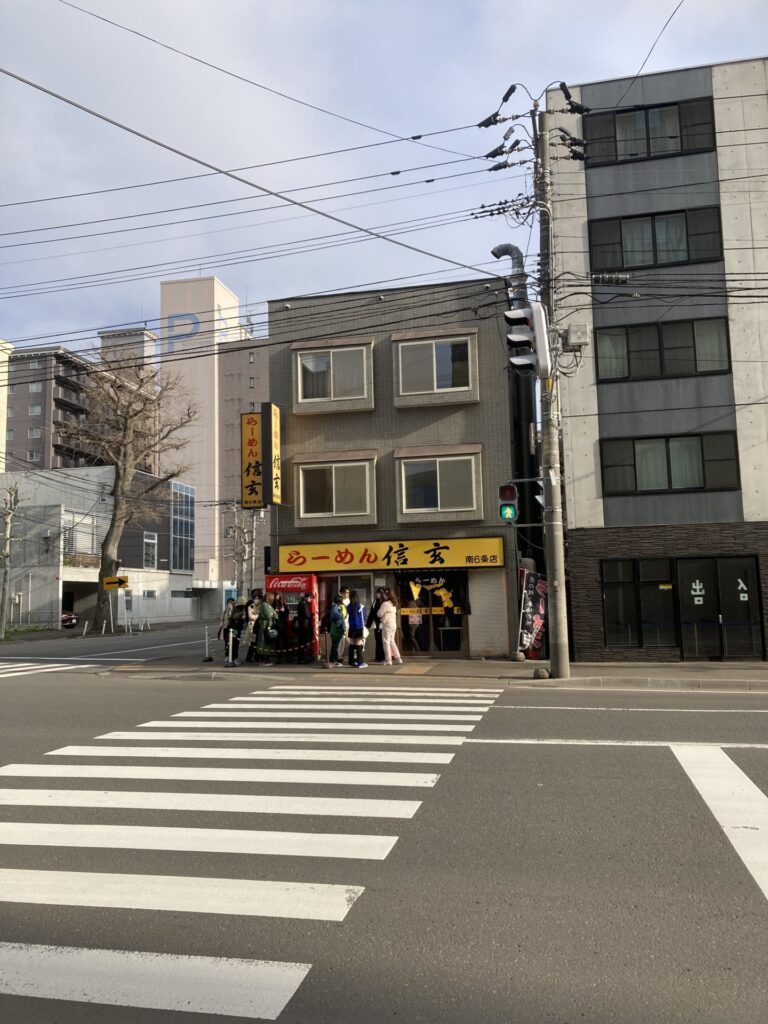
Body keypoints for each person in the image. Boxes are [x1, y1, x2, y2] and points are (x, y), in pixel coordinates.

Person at [377, 587, 403, 666]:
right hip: (393, 624)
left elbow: (379, 614)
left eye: (385, 594)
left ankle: (388, 660)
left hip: (387, 624)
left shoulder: (385, 604)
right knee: (392, 641)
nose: (384, 595)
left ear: (387, 595)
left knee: (386, 642)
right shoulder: (394, 603)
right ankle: (398, 658)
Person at [346, 590, 368, 668]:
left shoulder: (348, 606)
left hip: (351, 627)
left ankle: (351, 661)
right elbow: (364, 617)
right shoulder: (360, 606)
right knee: (359, 644)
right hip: (359, 627)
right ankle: (360, 662)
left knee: (352, 644)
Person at [255, 592, 276, 666]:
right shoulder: (264, 605)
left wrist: (273, 614)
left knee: (267, 644)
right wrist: (273, 613)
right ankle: (262, 661)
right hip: (264, 627)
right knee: (263, 644)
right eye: (272, 597)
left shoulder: (268, 606)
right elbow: (268, 615)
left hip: (268, 627)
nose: (273, 599)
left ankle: (266, 660)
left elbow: (275, 615)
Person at [366, 587, 386, 663]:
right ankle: (378, 657)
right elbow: (372, 613)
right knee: (378, 640)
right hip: (376, 624)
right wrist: (368, 623)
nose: (377, 594)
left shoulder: (385, 602)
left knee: (382, 640)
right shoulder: (375, 601)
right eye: (377, 593)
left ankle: (383, 657)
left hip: (383, 623)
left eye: (379, 593)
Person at [227, 596, 248, 665]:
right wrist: (241, 614)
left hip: (236, 628)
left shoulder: (237, 608)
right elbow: (232, 617)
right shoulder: (236, 608)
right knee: (234, 644)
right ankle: (234, 658)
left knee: (235, 644)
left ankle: (233, 658)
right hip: (234, 628)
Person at [296, 592, 313, 664]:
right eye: (311, 599)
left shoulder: (301, 603)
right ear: (308, 597)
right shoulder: (304, 604)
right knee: (303, 643)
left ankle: (302, 658)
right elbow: (307, 615)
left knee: (302, 642)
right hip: (304, 626)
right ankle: (302, 659)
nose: (311, 600)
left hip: (302, 625)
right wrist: (312, 614)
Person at [328, 594, 346, 668]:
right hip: (336, 629)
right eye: (341, 600)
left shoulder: (336, 607)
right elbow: (334, 617)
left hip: (337, 628)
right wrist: (340, 615)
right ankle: (334, 661)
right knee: (335, 646)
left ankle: (333, 660)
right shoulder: (335, 607)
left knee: (335, 645)